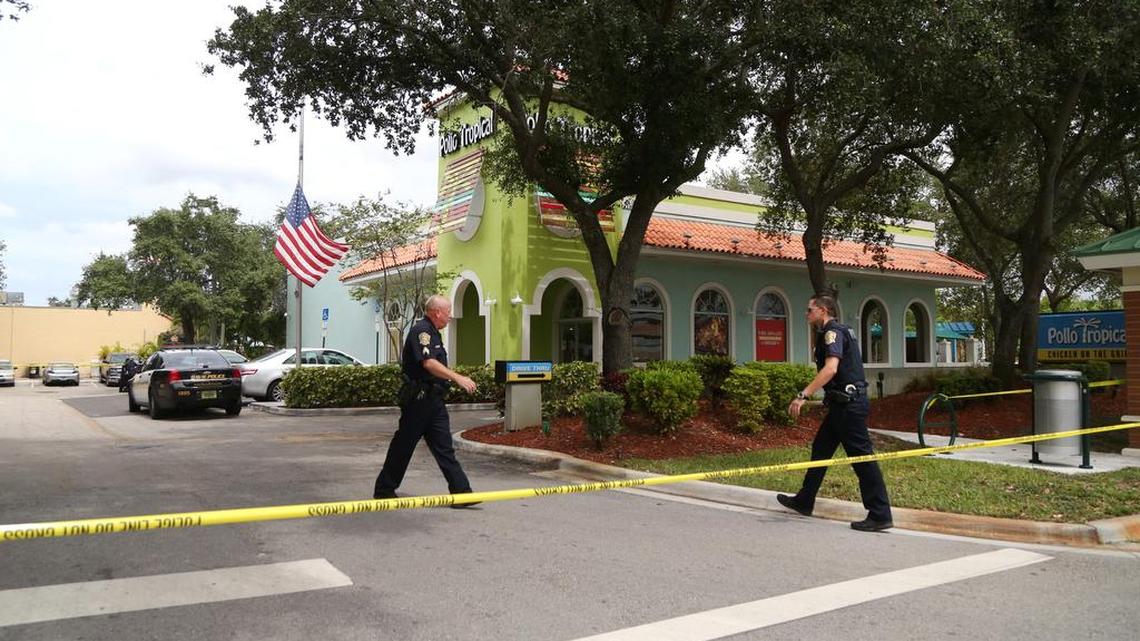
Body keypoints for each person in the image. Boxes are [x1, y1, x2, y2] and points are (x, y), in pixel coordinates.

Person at [779, 294, 893, 532]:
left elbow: (831, 369)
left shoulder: (833, 333)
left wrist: (803, 395)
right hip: (841, 406)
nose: (806, 313)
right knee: (821, 448)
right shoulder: (831, 332)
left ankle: (880, 514)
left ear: (823, 310)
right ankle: (804, 500)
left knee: (862, 460)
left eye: (810, 310)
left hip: (849, 407)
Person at [373, 294, 480, 508]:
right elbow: (429, 363)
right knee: (404, 446)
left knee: (444, 448)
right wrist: (458, 377)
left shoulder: (434, 334)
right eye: (448, 312)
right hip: (418, 402)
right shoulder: (421, 331)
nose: (450, 317)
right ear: (437, 312)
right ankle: (384, 489)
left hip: (434, 401)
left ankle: (462, 493)